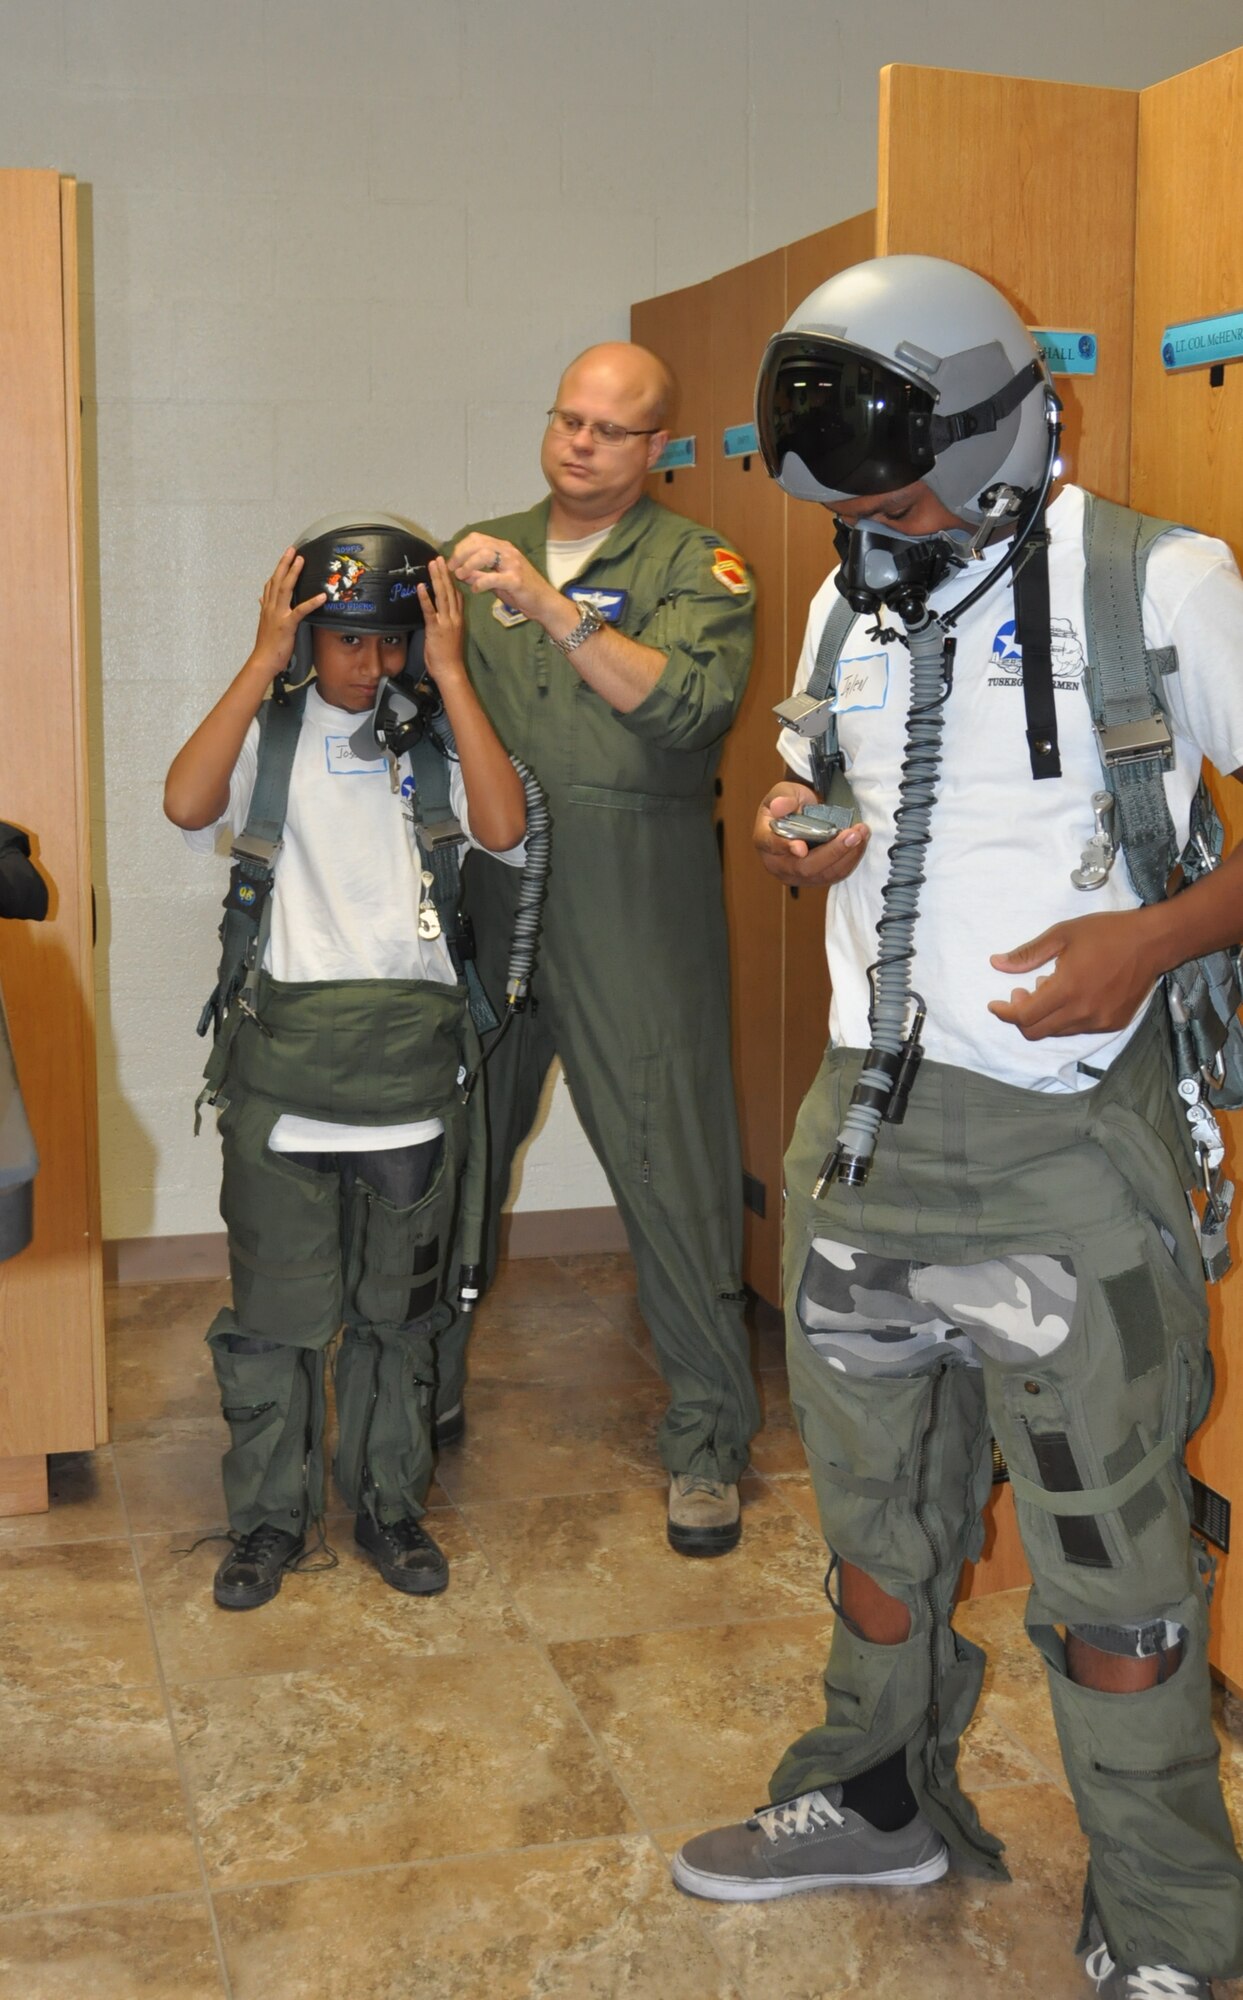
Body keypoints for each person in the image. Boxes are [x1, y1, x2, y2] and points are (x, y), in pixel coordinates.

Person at [672, 257, 1243, 1997]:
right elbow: (826, 779)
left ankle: (1161, 1917)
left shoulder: (1159, 584)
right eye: (849, 503)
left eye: (905, 489)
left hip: (1066, 1152)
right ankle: (871, 1792)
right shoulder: (851, 594)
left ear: (1004, 430)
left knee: (1109, 1573)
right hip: (865, 1126)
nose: (878, 524)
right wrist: (807, 825)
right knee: (873, 1535)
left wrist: (1149, 939)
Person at [165, 519, 526, 1611]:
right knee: (275, 1321)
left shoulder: (435, 740)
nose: (369, 665)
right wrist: (259, 660)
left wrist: (453, 676)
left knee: (395, 1318)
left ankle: (387, 1502)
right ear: (310, 635)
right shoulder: (268, 738)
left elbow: (505, 828)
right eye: (347, 642)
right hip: (285, 1087)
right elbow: (186, 802)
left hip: (409, 1089)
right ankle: (268, 1520)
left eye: (391, 642)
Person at [442, 342, 760, 1557]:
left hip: (636, 886)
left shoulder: (694, 563)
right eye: (567, 418)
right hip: (494, 876)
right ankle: (427, 1387)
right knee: (455, 1148)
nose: (580, 442)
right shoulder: (477, 548)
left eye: (610, 429)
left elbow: (688, 705)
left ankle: (705, 1441)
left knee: (669, 1159)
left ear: (658, 448)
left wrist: (548, 603)